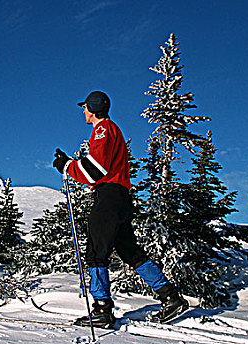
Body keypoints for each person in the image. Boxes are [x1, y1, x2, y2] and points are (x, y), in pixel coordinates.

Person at [53, 91, 188, 329]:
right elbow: (99, 164)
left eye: (84, 107)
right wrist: (71, 164)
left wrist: (67, 166)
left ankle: (102, 310)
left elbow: (96, 170)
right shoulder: (111, 130)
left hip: (108, 197)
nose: (83, 111)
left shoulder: (102, 130)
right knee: (129, 249)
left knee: (96, 251)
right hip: (120, 197)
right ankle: (170, 295)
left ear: (92, 109)